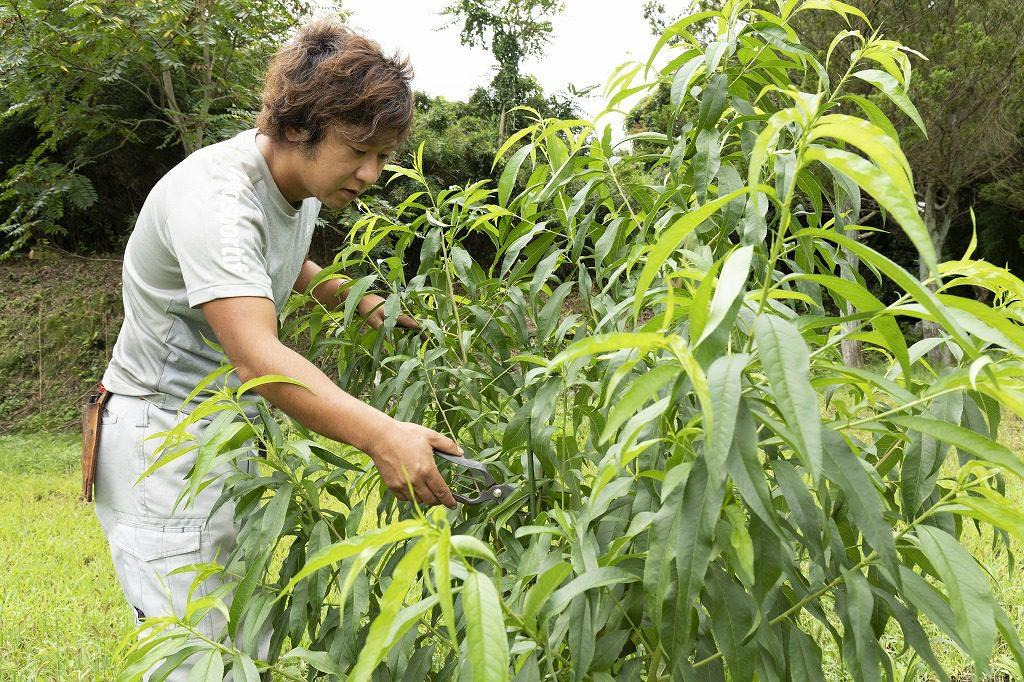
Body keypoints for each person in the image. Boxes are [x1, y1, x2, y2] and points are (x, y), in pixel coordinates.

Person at [92, 17, 459, 676]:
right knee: (197, 660)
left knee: (245, 643)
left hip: (221, 434)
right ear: (296, 128)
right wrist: (383, 435)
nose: (372, 173)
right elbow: (257, 357)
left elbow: (278, 264)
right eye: (359, 151)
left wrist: (361, 302)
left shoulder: (296, 184)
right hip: (162, 445)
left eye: (384, 156)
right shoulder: (218, 202)